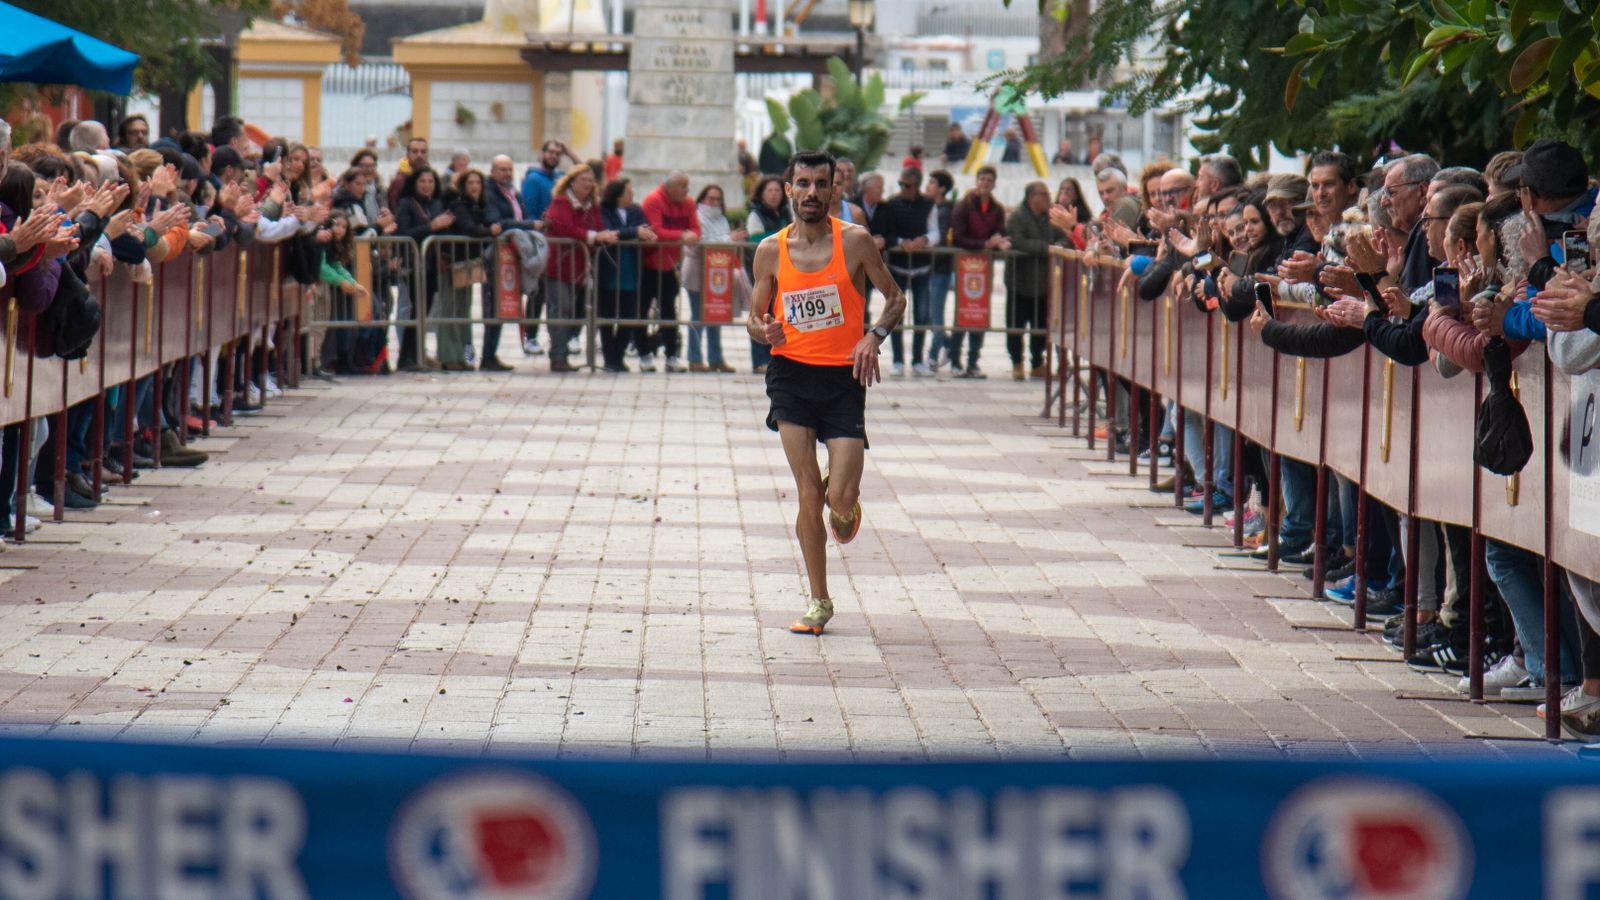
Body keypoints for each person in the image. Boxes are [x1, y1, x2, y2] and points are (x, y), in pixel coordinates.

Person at [745, 150, 907, 636]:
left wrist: (873, 336)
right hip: (790, 375)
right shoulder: (770, 250)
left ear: (835, 189)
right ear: (788, 189)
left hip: (843, 380)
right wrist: (764, 331)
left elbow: (895, 298)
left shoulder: (855, 242)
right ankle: (819, 600)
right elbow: (754, 317)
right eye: (803, 183)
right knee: (808, 492)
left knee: (838, 497)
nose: (811, 192)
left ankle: (847, 507)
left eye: (821, 183)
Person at [544, 166, 614, 373]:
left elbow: (598, 226)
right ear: (572, 182)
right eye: (584, 180)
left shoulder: (592, 206)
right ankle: (557, 355)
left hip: (579, 267)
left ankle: (562, 352)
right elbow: (563, 226)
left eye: (591, 180)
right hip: (558, 265)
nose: (588, 184)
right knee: (560, 309)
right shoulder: (561, 202)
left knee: (572, 311)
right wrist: (593, 237)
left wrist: (604, 236)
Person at [946, 165, 1009, 377]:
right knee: (962, 313)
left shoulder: (997, 208)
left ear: (994, 184)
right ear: (976, 181)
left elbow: (1001, 231)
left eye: (989, 180)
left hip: (984, 268)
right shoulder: (964, 205)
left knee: (979, 313)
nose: (985, 183)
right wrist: (984, 243)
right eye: (982, 179)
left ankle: (973, 361)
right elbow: (957, 236)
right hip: (964, 266)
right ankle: (955, 360)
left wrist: (998, 241)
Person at [482, 155, 540, 371]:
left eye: (509, 169)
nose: (507, 173)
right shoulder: (489, 193)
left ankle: (492, 354)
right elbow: (497, 221)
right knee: (493, 306)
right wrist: (529, 224)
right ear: (493, 171)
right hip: (495, 256)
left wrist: (525, 224)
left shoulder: (514, 193)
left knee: (505, 305)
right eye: (502, 170)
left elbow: (520, 216)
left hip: (512, 256)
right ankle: (486, 356)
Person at [879, 167, 939, 376]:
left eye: (909, 186)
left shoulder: (929, 205)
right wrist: (899, 242)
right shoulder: (892, 204)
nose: (904, 189)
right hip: (898, 266)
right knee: (896, 314)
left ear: (917, 186)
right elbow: (887, 233)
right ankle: (897, 360)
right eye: (902, 185)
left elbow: (935, 232)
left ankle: (917, 360)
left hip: (922, 266)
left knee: (922, 314)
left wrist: (925, 240)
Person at [392, 166, 452, 371]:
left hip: (432, 264)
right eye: (422, 181)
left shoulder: (436, 204)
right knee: (413, 311)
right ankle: (405, 357)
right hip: (413, 264)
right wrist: (432, 227)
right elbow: (404, 232)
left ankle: (417, 354)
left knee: (424, 311)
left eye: (431, 182)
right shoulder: (406, 204)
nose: (427, 186)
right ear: (414, 184)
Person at [1004, 181, 1065, 380]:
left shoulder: (1051, 217)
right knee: (1015, 324)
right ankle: (1017, 363)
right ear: (1032, 198)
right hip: (1019, 281)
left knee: (1040, 326)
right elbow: (1018, 241)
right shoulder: (1018, 217)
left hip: (1043, 283)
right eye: (1044, 194)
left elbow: (1065, 237)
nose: (1048, 198)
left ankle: (1037, 362)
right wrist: (1046, 247)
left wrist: (1058, 245)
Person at [640, 172, 700, 372]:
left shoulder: (688, 203)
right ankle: (644, 353)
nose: (686, 190)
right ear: (670, 187)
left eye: (687, 185)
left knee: (669, 311)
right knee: (641, 310)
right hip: (648, 263)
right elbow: (656, 232)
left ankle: (671, 355)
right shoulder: (653, 200)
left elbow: (696, 231)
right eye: (683, 185)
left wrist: (680, 236)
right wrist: (682, 235)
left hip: (670, 266)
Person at [681, 183, 745, 373]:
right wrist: (730, 239)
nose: (714, 202)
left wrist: (731, 241)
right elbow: (703, 242)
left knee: (716, 314)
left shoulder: (722, 219)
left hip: (718, 274)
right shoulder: (698, 216)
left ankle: (715, 358)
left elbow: (724, 241)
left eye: (718, 199)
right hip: (697, 271)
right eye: (711, 198)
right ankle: (694, 358)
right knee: (698, 316)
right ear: (702, 198)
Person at [596, 177, 656, 372]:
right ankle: (609, 357)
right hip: (609, 270)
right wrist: (634, 232)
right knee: (606, 316)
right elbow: (610, 231)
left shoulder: (636, 211)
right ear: (619, 194)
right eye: (629, 192)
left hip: (631, 270)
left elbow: (644, 229)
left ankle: (618, 356)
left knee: (628, 315)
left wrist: (646, 235)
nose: (632, 195)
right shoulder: (603, 210)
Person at [745, 174, 792, 374]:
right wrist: (784, 238)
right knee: (759, 314)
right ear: (762, 193)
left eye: (777, 191)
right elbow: (758, 239)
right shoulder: (756, 214)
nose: (773, 195)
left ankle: (777, 356)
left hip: (783, 272)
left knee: (778, 315)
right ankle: (760, 359)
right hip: (761, 271)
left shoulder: (785, 213)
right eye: (769, 191)